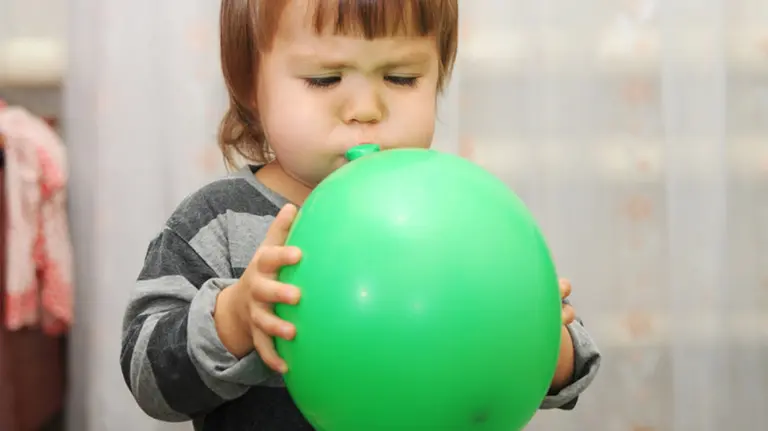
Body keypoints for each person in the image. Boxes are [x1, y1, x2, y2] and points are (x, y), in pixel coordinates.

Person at [120, 0, 602, 429]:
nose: (366, 109)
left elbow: (574, 364)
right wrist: (234, 319)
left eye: (402, 78)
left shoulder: (453, 216)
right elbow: (148, 379)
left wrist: (538, 336)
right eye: (325, 79)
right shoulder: (216, 221)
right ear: (251, 83)